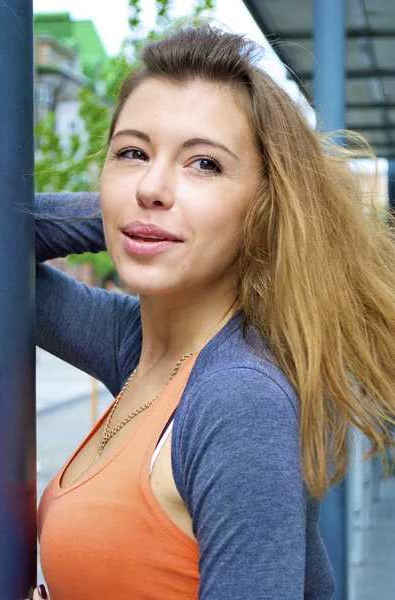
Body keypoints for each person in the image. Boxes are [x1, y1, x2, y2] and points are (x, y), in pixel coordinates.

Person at [27, 25, 395, 600]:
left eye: (204, 164)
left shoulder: (238, 398)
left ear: (265, 207)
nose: (152, 184)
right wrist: (120, 213)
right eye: (131, 152)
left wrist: (142, 209)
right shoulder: (139, 346)